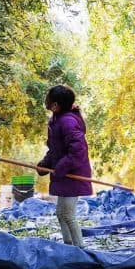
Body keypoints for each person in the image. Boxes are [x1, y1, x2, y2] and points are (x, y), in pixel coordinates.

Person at [37, 85, 92, 248]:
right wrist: (45, 164)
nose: (45, 100)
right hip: (63, 175)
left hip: (73, 175)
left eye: (48, 98)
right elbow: (55, 150)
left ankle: (80, 249)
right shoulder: (56, 120)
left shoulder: (67, 122)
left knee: (68, 214)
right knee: (61, 213)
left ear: (55, 105)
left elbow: (78, 151)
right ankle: (68, 246)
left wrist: (60, 168)